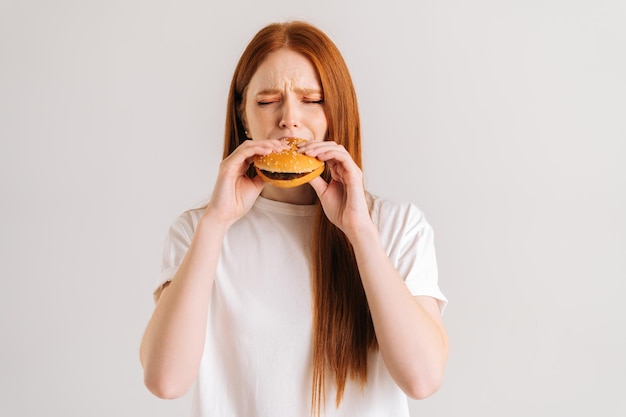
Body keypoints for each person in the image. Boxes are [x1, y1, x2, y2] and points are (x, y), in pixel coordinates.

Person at [140, 20, 448, 417]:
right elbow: (166, 381)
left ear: (338, 110)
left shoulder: (397, 227)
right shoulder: (199, 231)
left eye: (312, 99)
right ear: (244, 117)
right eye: (267, 101)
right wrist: (216, 222)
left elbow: (422, 379)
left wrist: (359, 231)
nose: (289, 119)